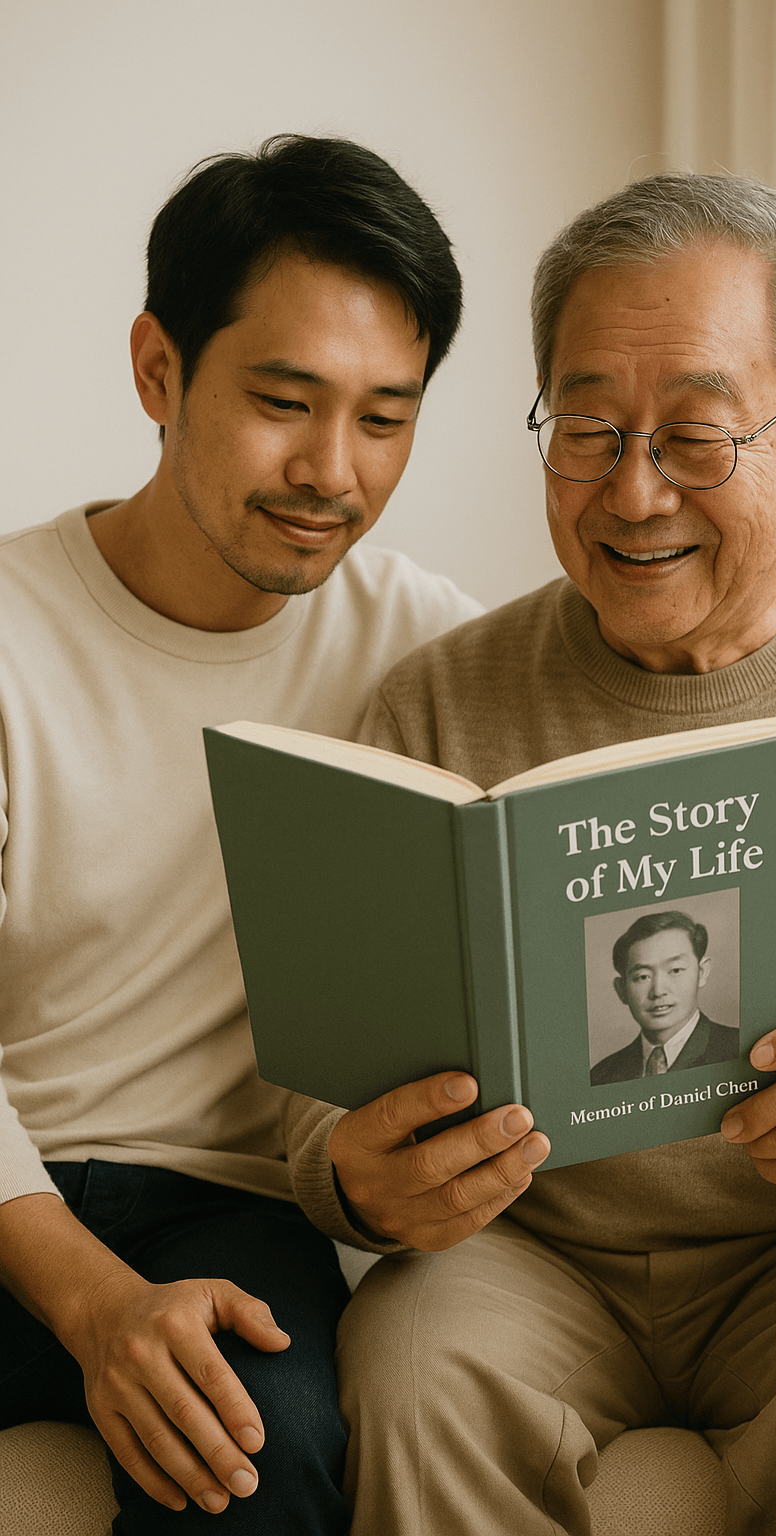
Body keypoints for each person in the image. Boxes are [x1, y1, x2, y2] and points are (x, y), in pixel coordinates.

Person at [286, 173, 776, 1536]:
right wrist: (357, 1178)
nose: (632, 494)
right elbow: (330, 1074)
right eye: (585, 430)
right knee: (411, 1364)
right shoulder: (434, 701)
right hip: (531, 1254)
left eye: (694, 436)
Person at [0, 134, 481, 1532]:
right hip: (16, 1181)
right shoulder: (15, 631)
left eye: (385, 419)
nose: (331, 471)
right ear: (158, 370)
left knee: (259, 1446)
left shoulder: (428, 652)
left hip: (229, 1205)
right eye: (284, 402)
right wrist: (99, 1306)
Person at [590, 909, 737, 1085]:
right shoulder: (602, 1075)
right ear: (621, 990)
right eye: (643, 977)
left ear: (702, 972)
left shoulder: (737, 1049)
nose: (658, 991)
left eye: (675, 970)